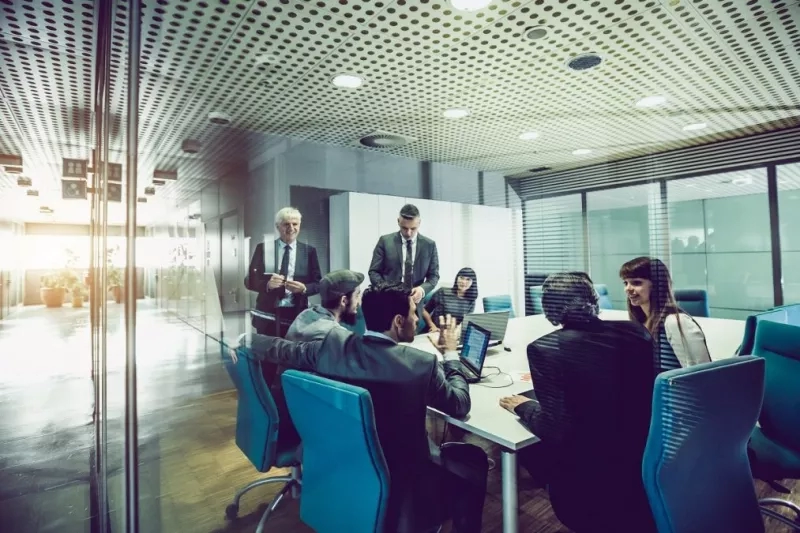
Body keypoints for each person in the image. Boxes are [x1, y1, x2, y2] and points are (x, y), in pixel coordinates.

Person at [234, 282, 488, 533]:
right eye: (413, 313)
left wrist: (248, 339)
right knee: (474, 457)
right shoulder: (421, 365)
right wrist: (451, 355)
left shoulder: (332, 347)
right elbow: (459, 404)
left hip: (339, 464)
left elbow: (285, 350)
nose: (416, 320)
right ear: (398, 321)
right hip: (404, 478)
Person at [499, 272, 656, 533]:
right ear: (593, 299)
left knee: (525, 447)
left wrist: (523, 406)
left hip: (588, 487)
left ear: (548, 307)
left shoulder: (545, 347)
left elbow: (554, 428)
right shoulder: (636, 332)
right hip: (642, 466)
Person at [244, 207, 322, 383]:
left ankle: (289, 397)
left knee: (294, 359)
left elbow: (318, 283)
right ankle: (266, 399)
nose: (291, 228)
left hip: (296, 316)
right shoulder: (264, 249)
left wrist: (304, 288)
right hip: (268, 315)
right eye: (286, 224)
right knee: (267, 362)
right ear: (278, 227)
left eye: (295, 224)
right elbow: (249, 280)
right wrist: (267, 285)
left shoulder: (309, 251)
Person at [619, 256, 711, 374]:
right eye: (625, 283)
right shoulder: (640, 323)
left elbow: (701, 374)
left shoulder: (676, 322)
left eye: (636, 283)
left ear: (656, 285)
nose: (628, 288)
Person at [368, 204, 439, 320]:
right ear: (398, 221)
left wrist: (422, 290)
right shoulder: (385, 241)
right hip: (388, 304)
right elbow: (374, 272)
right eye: (404, 228)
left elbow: (434, 276)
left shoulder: (429, 245)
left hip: (414, 307)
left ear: (419, 223)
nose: (409, 233)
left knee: (410, 338)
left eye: (413, 228)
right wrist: (387, 292)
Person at [285, 269, 364, 342]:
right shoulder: (334, 335)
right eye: (357, 295)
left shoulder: (305, 314)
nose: (359, 301)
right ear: (343, 301)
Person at [423, 267, 478, 332]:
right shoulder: (442, 292)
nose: (463, 282)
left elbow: (464, 323)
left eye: (468, 279)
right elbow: (424, 310)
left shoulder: (471, 300)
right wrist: (432, 325)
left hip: (452, 335)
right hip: (434, 331)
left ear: (473, 282)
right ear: (457, 278)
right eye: (461, 278)